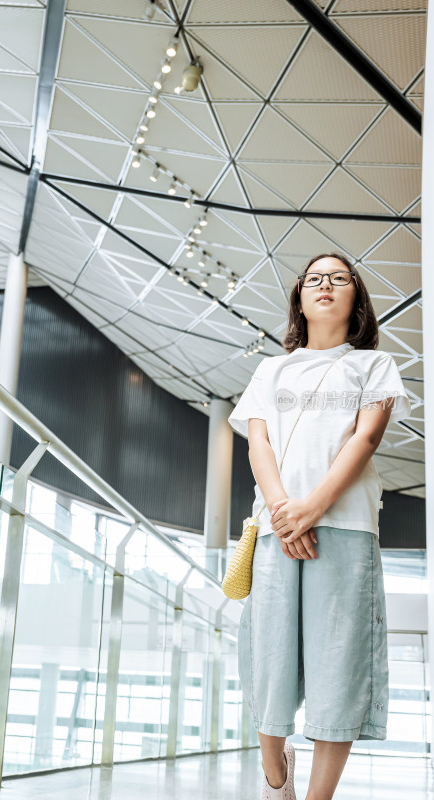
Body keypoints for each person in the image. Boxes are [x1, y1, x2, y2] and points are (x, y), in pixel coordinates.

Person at [228, 252, 412, 800]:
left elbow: (366, 438)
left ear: (356, 295)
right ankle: (275, 776)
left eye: (339, 278)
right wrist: (288, 514)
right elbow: (258, 441)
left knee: (340, 665)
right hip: (278, 528)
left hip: (347, 527)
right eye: (315, 279)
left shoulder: (373, 365)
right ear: (300, 296)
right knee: (269, 656)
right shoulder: (271, 369)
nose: (326, 285)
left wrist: (314, 508)